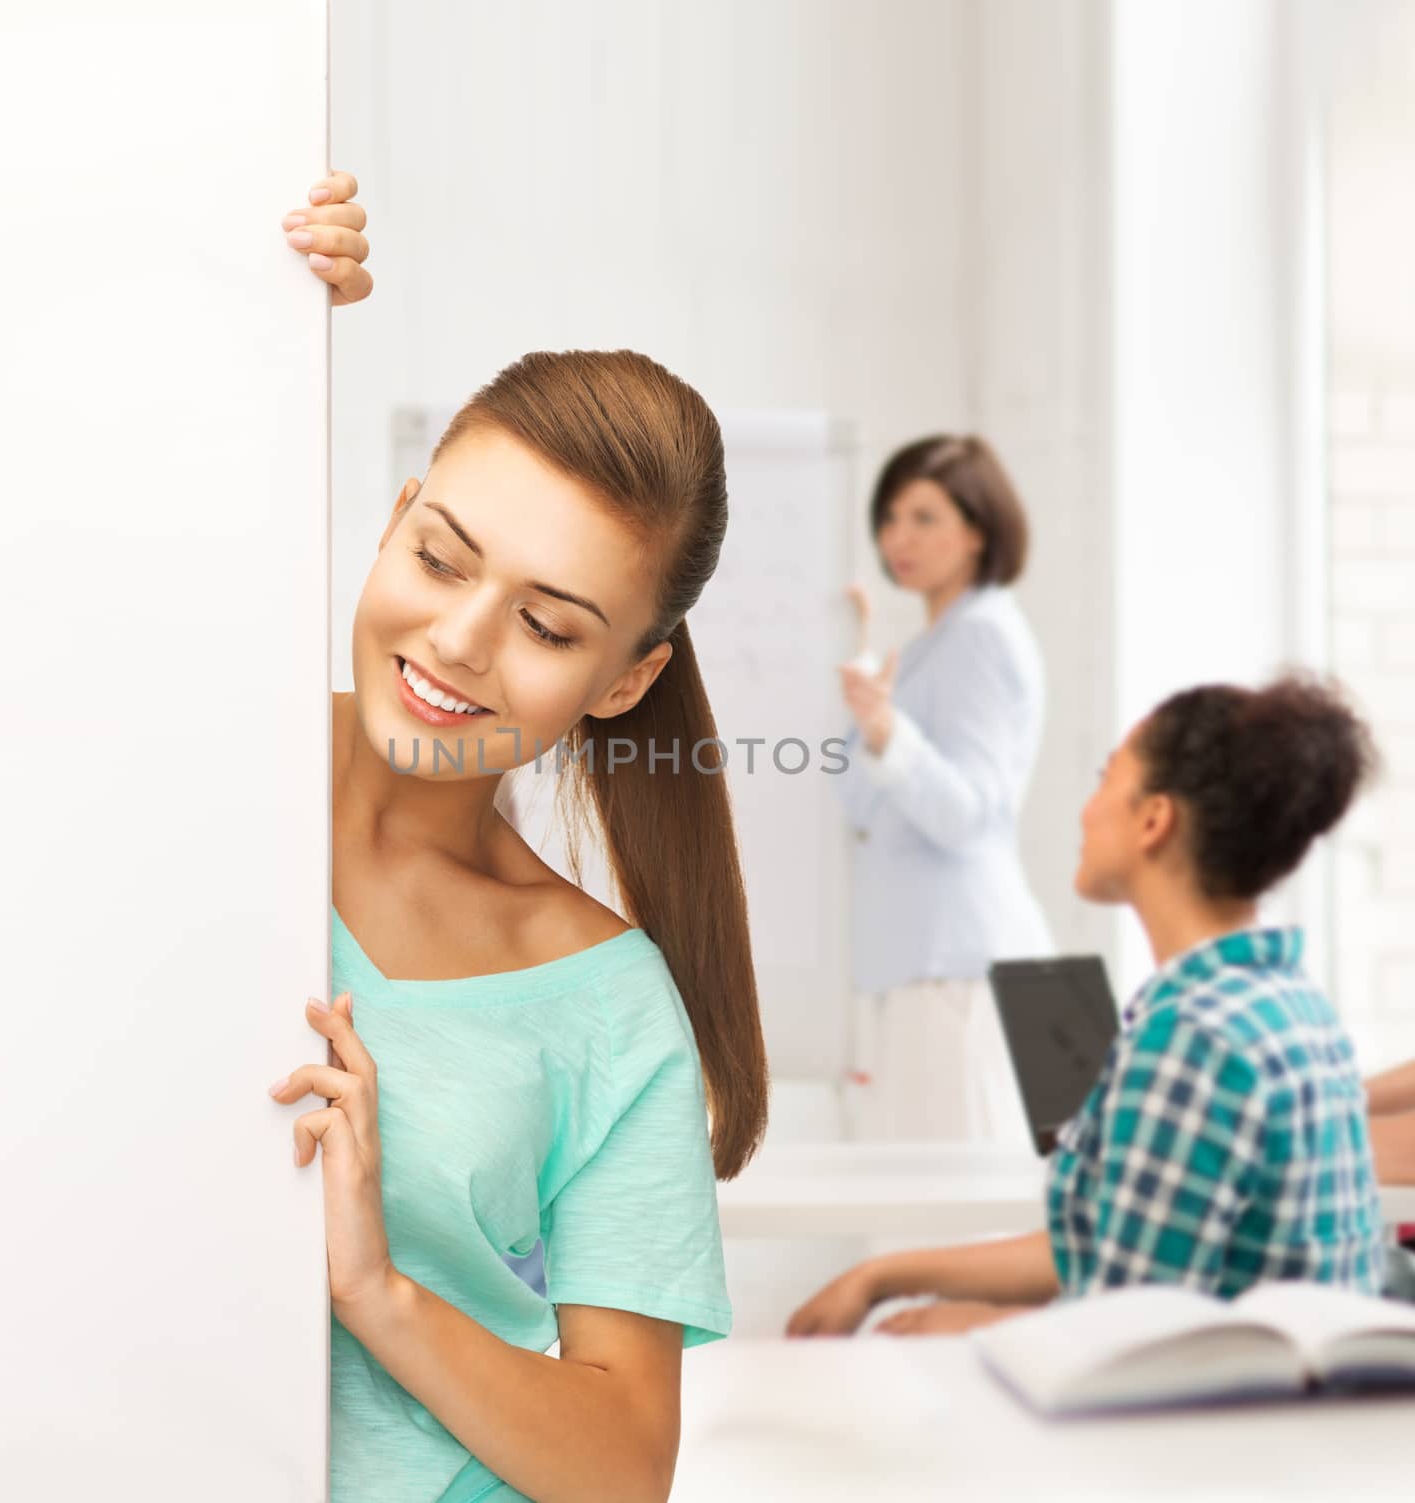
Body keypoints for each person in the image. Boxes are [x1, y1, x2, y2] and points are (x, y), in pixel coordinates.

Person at [267, 173, 770, 1502]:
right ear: (395, 514)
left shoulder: (607, 1002)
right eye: (440, 557)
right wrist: (241, 288)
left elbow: (623, 1462)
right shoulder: (201, 768)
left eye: (549, 626)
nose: (458, 642)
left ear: (624, 678)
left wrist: (377, 1290)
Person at [789, 673, 1385, 1338]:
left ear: (1154, 819)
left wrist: (936, 1324)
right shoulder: (1285, 1002)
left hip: (1198, 1425)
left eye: (1106, 778)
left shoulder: (1191, 1037)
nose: (1085, 808)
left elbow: (1122, 1336)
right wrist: (882, 1276)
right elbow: (1104, 1245)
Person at [832, 435, 1051, 1145]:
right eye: (890, 516)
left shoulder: (980, 636)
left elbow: (966, 815)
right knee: (924, 1221)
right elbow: (861, 805)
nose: (900, 537)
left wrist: (888, 730)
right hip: (927, 970)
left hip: (958, 971)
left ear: (978, 528)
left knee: (945, 1227)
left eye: (925, 517)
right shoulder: (932, 644)